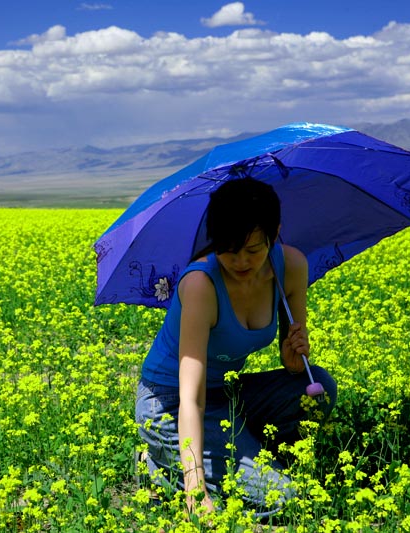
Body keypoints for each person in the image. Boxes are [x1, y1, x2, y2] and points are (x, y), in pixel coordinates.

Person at [135, 177, 337, 517]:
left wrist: (293, 361)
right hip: (171, 402)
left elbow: (296, 366)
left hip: (226, 395)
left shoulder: (292, 267)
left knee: (319, 388)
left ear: (275, 232)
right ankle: (160, 468)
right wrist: (195, 487)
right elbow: (191, 396)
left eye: (253, 250)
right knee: (282, 497)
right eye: (227, 249)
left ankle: (230, 452)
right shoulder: (201, 285)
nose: (240, 261)